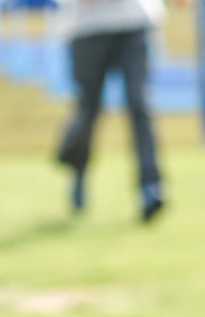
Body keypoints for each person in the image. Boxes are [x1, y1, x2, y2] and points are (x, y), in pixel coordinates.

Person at [56, 0, 167, 222]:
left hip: (133, 21)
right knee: (88, 109)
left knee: (139, 103)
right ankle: (77, 168)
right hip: (87, 27)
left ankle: (150, 186)